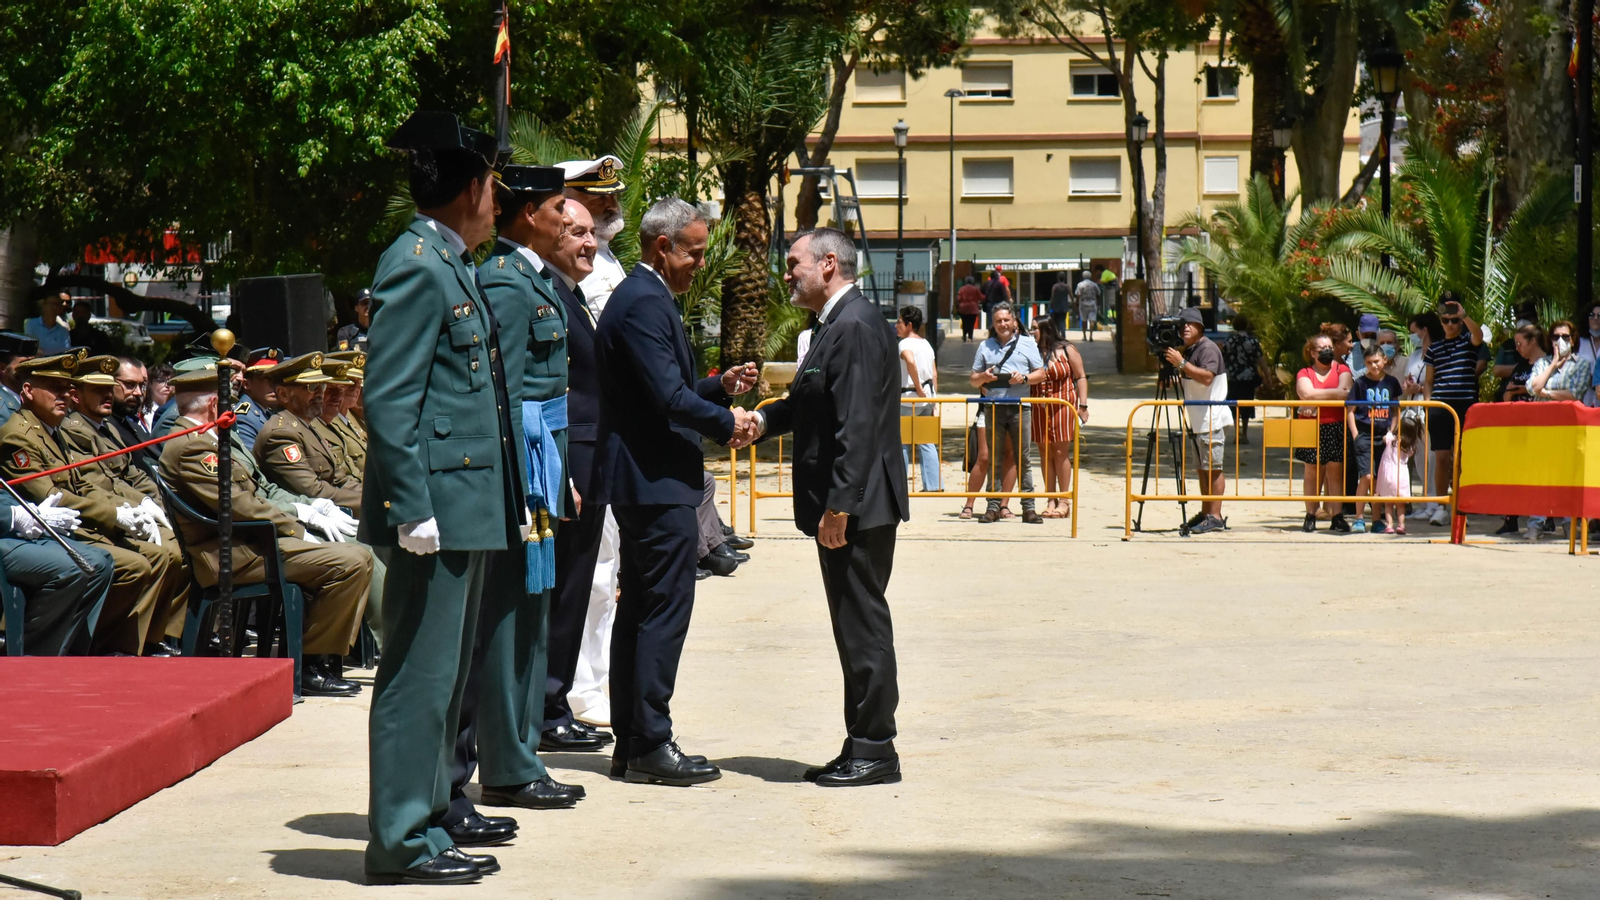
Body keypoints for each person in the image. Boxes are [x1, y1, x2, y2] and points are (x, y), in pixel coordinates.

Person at [362, 110, 525, 886]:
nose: (498, 199)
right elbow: (390, 398)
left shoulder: (449, 260)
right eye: (493, 184)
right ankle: (400, 838)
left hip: (464, 506)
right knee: (417, 682)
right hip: (433, 508)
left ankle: (428, 825)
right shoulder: (415, 264)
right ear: (469, 188)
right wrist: (410, 505)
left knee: (444, 683)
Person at [591, 197, 759, 787]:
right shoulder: (641, 302)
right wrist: (728, 420)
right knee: (662, 611)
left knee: (642, 609)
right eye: (695, 251)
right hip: (653, 481)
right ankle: (650, 742)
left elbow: (667, 387)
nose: (699, 263)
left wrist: (716, 386)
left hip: (652, 478)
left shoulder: (648, 298)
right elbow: (665, 399)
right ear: (663, 247)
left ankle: (635, 740)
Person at [750, 227, 909, 787]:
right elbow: (810, 403)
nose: (786, 273)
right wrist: (764, 421)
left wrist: (839, 507)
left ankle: (876, 749)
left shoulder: (857, 325)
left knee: (863, 625)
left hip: (858, 507)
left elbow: (857, 426)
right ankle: (860, 740)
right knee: (851, 624)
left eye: (793, 263)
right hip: (848, 504)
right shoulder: (834, 325)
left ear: (827, 264)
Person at [160, 367, 370, 692]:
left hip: (254, 544)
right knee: (351, 561)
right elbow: (239, 506)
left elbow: (254, 495)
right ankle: (310, 664)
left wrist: (301, 516)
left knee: (356, 555)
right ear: (215, 404)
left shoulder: (203, 440)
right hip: (234, 554)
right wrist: (298, 528)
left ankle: (317, 658)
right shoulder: (192, 447)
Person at [0, 353, 173, 656]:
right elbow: (53, 496)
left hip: (76, 526)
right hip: (47, 532)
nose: (65, 396)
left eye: (67, 388)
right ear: (28, 391)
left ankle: (119, 648)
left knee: (156, 556)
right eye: (55, 388)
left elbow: (87, 484)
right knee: (132, 565)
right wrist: (114, 515)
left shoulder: (53, 431)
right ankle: (96, 648)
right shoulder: (19, 436)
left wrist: (130, 508)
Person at [544, 196, 619, 732]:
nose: (591, 243)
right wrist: (560, 471)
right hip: (568, 468)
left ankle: (555, 700)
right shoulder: (545, 293)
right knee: (563, 589)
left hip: (589, 464)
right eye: (578, 233)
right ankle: (547, 705)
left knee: (579, 588)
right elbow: (545, 397)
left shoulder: (571, 295)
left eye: (593, 233)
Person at [59, 354, 190, 653]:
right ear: (76, 395)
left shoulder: (108, 427)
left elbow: (131, 473)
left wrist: (152, 500)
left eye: (109, 389)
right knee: (164, 553)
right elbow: (99, 483)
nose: (108, 395)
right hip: (99, 518)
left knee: (180, 547)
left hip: (125, 507)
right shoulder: (75, 429)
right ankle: (125, 641)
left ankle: (154, 636)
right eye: (99, 390)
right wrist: (136, 506)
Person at [0, 491, 112, 656]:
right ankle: (34, 657)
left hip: (13, 533)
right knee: (75, 568)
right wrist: (11, 515)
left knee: (100, 564)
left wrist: (31, 510)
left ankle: (67, 654)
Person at [253, 353, 363, 516]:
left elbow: (340, 479)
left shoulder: (306, 425)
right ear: (283, 394)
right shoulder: (280, 433)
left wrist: (377, 495)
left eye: (322, 386)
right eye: (311, 387)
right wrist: (369, 504)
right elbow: (313, 491)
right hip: (307, 519)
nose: (320, 393)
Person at [965, 303, 1044, 524]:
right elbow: (973, 379)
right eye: (998, 321)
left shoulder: (1028, 344)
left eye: (1006, 320)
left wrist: (1025, 378)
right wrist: (984, 377)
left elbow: (1041, 373)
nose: (1003, 324)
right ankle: (992, 507)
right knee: (994, 459)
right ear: (993, 323)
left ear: (1014, 321)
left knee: (1023, 459)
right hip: (993, 406)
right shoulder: (985, 346)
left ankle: (1028, 507)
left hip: (1020, 407)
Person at [1162, 307, 1232, 535]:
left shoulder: (1207, 349)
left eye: (1189, 324)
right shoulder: (1189, 350)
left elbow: (1206, 377)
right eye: (1182, 325)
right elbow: (1189, 377)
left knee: (1213, 469)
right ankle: (1205, 513)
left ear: (1200, 327)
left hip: (1211, 418)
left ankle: (1215, 515)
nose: (1185, 328)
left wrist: (1181, 363)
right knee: (1203, 470)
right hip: (1197, 420)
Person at [1422, 296, 1484, 527]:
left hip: (1466, 406)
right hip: (1440, 407)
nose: (1450, 324)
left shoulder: (1469, 340)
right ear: (1441, 322)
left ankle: (1460, 505)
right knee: (1442, 457)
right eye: (1446, 320)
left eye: (1454, 320)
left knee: (1462, 458)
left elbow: (1478, 337)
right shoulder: (1434, 349)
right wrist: (1428, 405)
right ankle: (1441, 506)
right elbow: (1429, 380)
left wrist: (1464, 315)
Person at [1294, 334, 1353, 533]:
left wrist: (1317, 399)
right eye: (1322, 348)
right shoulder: (1304, 372)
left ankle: (1336, 515)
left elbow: (1345, 391)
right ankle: (1311, 513)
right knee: (1311, 472)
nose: (1327, 350)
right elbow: (1306, 393)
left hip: (1335, 424)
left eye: (1329, 346)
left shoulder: (1342, 369)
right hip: (1310, 426)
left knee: (1335, 471)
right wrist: (1333, 394)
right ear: (1312, 353)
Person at [1029, 317, 1086, 519]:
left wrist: (1083, 405)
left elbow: (1080, 376)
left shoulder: (1067, 349)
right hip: (1039, 405)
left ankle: (1064, 499)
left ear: (1046, 329)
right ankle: (1050, 498)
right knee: (1044, 451)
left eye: (1035, 328)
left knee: (1060, 451)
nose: (1032, 332)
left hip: (1062, 405)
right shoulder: (1031, 350)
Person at [560, 155, 629, 317]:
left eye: (614, 196)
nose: (612, 206)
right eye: (600, 198)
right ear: (565, 202)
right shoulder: (567, 259)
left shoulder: (603, 247)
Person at [1346, 345, 1401, 533]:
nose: (1374, 366)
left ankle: (1377, 520)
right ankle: (1359, 518)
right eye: (1369, 363)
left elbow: (1395, 410)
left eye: (1376, 361)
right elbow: (1350, 411)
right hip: (1364, 434)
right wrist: (1355, 434)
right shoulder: (1360, 383)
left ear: (1384, 360)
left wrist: (1392, 432)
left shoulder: (1392, 382)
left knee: (1378, 479)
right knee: (1366, 476)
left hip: (1384, 436)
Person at [896, 305, 940, 492]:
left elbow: (910, 360)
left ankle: (900, 485)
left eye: (899, 322)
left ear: (909, 324)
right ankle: (933, 484)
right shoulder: (926, 344)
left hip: (908, 397)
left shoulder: (904, 344)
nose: (897, 325)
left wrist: (918, 386)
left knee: (903, 443)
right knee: (927, 441)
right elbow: (934, 373)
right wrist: (933, 398)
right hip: (927, 398)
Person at [1402, 313, 1441, 523]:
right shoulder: (1415, 355)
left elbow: (1434, 381)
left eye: (1413, 331)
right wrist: (1409, 388)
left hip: (1430, 408)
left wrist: (1422, 389)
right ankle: (1426, 503)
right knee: (1419, 459)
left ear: (1424, 330)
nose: (1412, 336)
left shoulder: (1438, 351)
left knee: (1433, 459)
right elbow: (1408, 381)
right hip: (1413, 409)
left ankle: (1436, 503)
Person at [1373, 414, 1421, 536]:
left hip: (1388, 475)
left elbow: (1384, 438)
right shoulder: (1409, 446)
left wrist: (1390, 431)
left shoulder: (1392, 440)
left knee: (1388, 503)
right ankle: (1401, 525)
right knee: (1400, 505)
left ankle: (1389, 525)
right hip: (1402, 475)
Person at [1223, 315, 1263, 444]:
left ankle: (1236, 433)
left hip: (1232, 377)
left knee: (1234, 405)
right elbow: (1260, 359)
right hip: (1248, 377)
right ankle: (1244, 434)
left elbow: (1222, 358)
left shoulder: (1228, 341)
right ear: (1246, 325)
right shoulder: (1252, 341)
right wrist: (1267, 376)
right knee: (1246, 404)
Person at [232, 347, 282, 450]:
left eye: (276, 379)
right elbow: (251, 461)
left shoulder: (266, 411)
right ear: (246, 384)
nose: (274, 385)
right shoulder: (244, 417)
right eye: (267, 379)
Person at [0, 332, 39, 426]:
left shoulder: (35, 399)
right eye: (23, 364)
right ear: (3, 368)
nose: (29, 369)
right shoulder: (2, 408)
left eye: (32, 363)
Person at [1578, 304, 1600, 406]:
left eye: (1599, 316)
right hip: (1585, 395)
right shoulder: (1579, 342)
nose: (1595, 318)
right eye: (1592, 315)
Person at [1073, 273, 1101, 342]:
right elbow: (1098, 294)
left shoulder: (1080, 285)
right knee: (1092, 319)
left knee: (1084, 320)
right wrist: (1098, 302)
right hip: (1092, 303)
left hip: (1083, 304)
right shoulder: (1094, 284)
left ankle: (1084, 336)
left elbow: (1078, 295)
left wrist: (1076, 303)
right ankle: (1091, 335)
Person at [956, 276, 983, 341]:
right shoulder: (975, 289)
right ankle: (970, 337)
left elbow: (958, 299)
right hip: (973, 309)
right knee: (971, 323)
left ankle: (964, 335)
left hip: (963, 309)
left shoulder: (962, 289)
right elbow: (981, 297)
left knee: (964, 322)